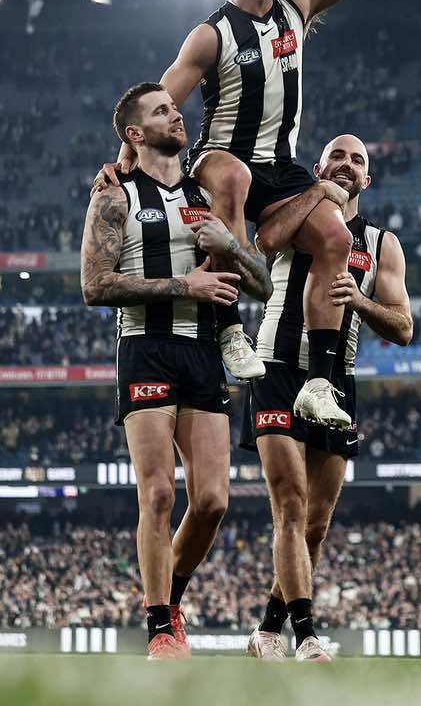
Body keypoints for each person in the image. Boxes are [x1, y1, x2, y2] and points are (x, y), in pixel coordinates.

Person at [95, 0, 421, 429]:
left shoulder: (298, 8)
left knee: (336, 237)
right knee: (233, 178)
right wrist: (123, 162)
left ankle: (319, 385)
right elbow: (155, 103)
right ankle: (229, 332)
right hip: (221, 157)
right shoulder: (210, 34)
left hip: (282, 169)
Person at [81, 82, 272, 661]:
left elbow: (261, 285)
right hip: (146, 347)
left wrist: (233, 249)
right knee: (159, 491)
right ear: (134, 135)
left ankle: (174, 597)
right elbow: (94, 285)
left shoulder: (206, 196)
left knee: (213, 501)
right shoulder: (115, 195)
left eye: (175, 105)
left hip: (203, 352)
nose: (176, 113)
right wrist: (183, 285)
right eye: (162, 110)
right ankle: (160, 626)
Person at [239, 134, 412, 661]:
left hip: (338, 381)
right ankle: (307, 636)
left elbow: (403, 326)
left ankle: (268, 628)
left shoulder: (382, 243)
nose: (346, 164)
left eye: (357, 160)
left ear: (368, 178)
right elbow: (264, 241)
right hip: (276, 368)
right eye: (337, 156)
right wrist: (314, 196)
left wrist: (358, 300)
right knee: (289, 506)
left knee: (315, 522)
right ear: (318, 166)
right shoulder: (296, 212)